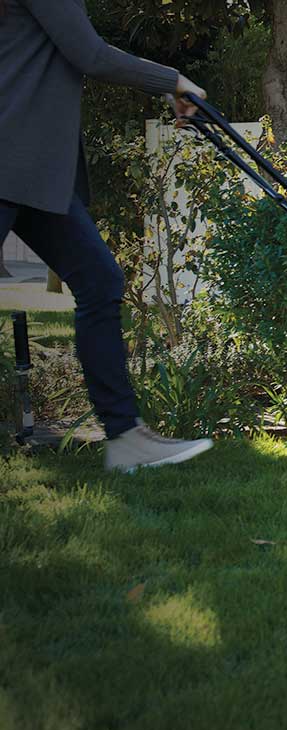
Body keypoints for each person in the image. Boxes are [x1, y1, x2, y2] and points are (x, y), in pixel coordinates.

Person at [1, 0, 214, 472]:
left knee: (99, 281)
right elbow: (90, 54)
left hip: (31, 172)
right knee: (99, 282)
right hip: (11, 161)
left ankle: (125, 437)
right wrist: (172, 80)